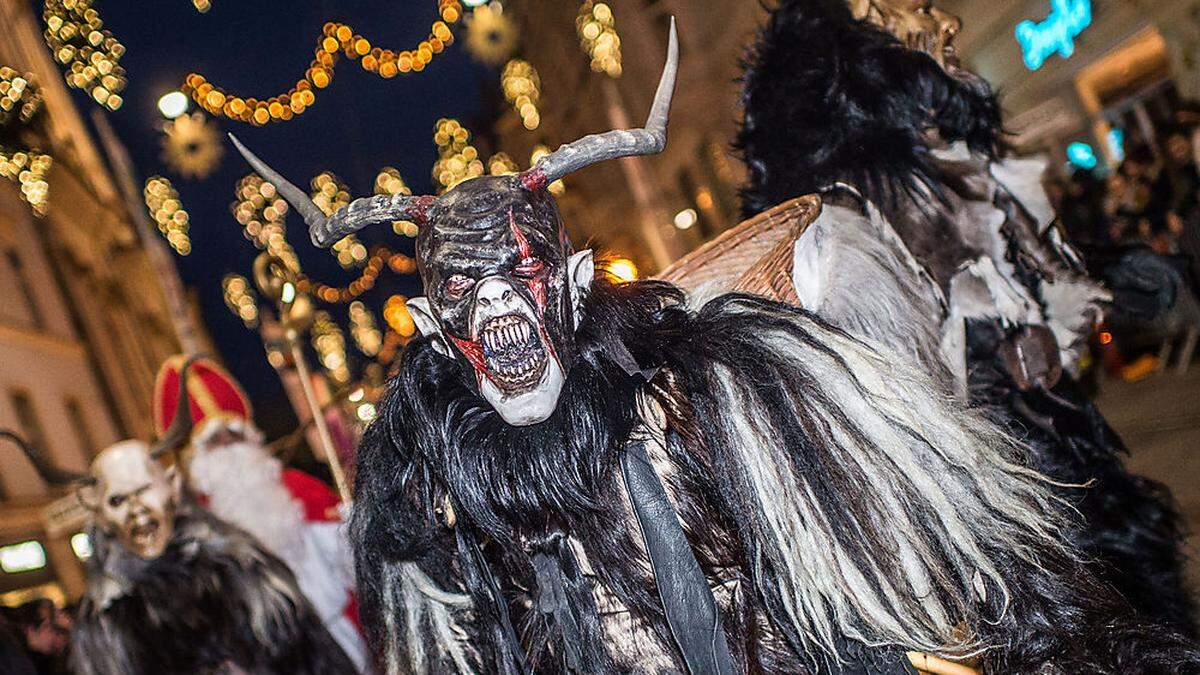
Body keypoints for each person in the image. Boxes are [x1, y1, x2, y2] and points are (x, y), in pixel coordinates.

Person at [233, 19, 1200, 673]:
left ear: (571, 285)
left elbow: (959, 564)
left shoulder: (728, 380)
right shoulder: (431, 506)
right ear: (442, 331)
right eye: (466, 297)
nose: (501, 321)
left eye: (517, 282)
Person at [737, 0, 1196, 637]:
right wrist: (987, 363)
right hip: (1002, 512)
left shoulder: (957, 169)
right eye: (914, 14)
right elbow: (893, 409)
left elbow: (1030, 277)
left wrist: (1095, 284)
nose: (945, 23)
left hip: (1070, 460)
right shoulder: (848, 234)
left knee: (1139, 599)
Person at [151, 354, 370, 673]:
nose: (229, 448)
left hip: (344, 645)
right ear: (195, 459)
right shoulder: (197, 532)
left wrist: (357, 530)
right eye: (215, 442)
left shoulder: (298, 488)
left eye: (234, 436)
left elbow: (357, 565)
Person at [70, 437, 358, 675]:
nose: (137, 509)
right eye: (117, 500)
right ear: (101, 517)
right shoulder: (107, 620)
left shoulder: (245, 567)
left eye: (144, 489)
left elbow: (313, 658)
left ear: (173, 486)